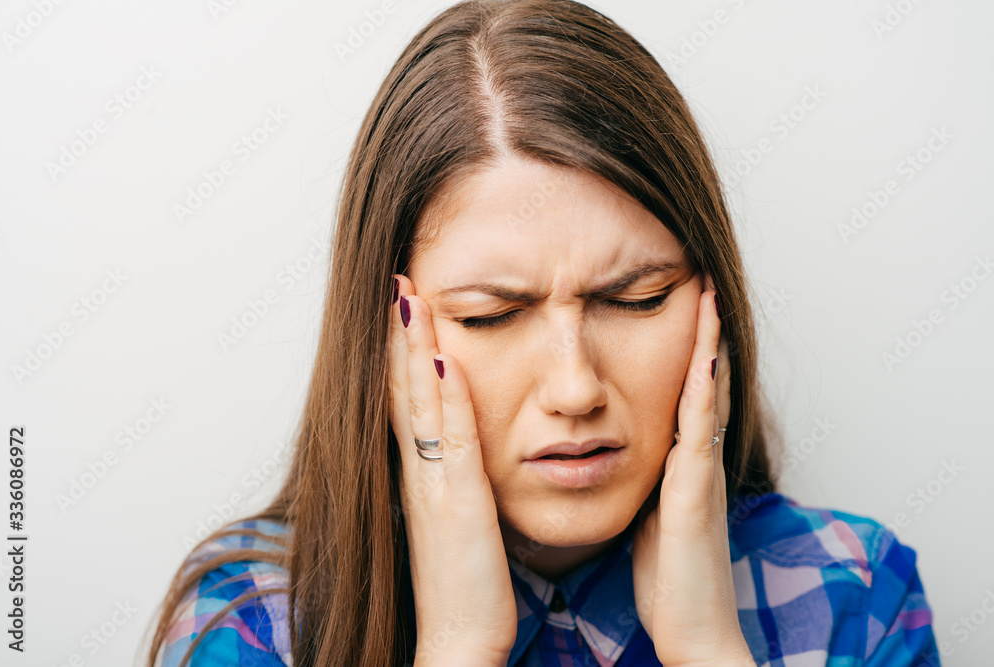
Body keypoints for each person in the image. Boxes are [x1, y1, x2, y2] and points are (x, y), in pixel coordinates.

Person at [144, 1, 940, 665]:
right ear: (386, 333)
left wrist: (705, 647)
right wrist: (458, 646)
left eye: (634, 298)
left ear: (714, 299)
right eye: (490, 315)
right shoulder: (254, 620)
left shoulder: (857, 595)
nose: (575, 388)